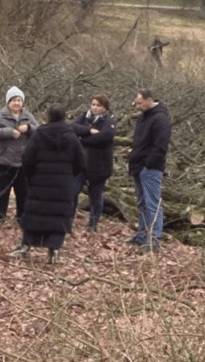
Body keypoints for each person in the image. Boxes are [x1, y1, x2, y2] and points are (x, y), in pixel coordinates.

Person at [9, 104, 85, 264]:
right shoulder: (71, 137)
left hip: (39, 181)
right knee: (58, 216)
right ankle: (53, 251)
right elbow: (81, 162)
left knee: (34, 214)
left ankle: (26, 246)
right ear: (64, 116)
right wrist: (70, 176)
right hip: (63, 184)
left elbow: (27, 158)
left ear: (47, 116)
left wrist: (31, 176)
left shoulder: (38, 134)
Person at [127, 89, 171, 253]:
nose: (137, 106)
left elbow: (160, 147)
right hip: (138, 166)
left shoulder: (160, 119)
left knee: (152, 203)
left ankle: (154, 239)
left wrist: (148, 164)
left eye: (139, 103)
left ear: (149, 100)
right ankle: (143, 234)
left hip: (151, 168)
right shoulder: (143, 117)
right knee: (141, 202)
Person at [0, 86, 38, 224]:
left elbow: (39, 131)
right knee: (3, 190)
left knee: (23, 191)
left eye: (19, 100)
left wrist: (28, 129)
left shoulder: (28, 116)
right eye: (13, 100)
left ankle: (21, 217)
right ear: (8, 102)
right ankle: (0, 217)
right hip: (4, 160)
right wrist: (9, 132)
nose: (16, 103)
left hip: (23, 160)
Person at [70, 94, 117, 232]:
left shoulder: (109, 121)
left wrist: (83, 139)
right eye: (93, 104)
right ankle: (68, 221)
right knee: (72, 193)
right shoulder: (84, 117)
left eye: (98, 105)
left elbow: (105, 136)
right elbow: (73, 128)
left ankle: (93, 224)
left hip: (99, 167)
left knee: (95, 197)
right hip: (80, 165)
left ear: (104, 107)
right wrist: (89, 131)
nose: (95, 108)